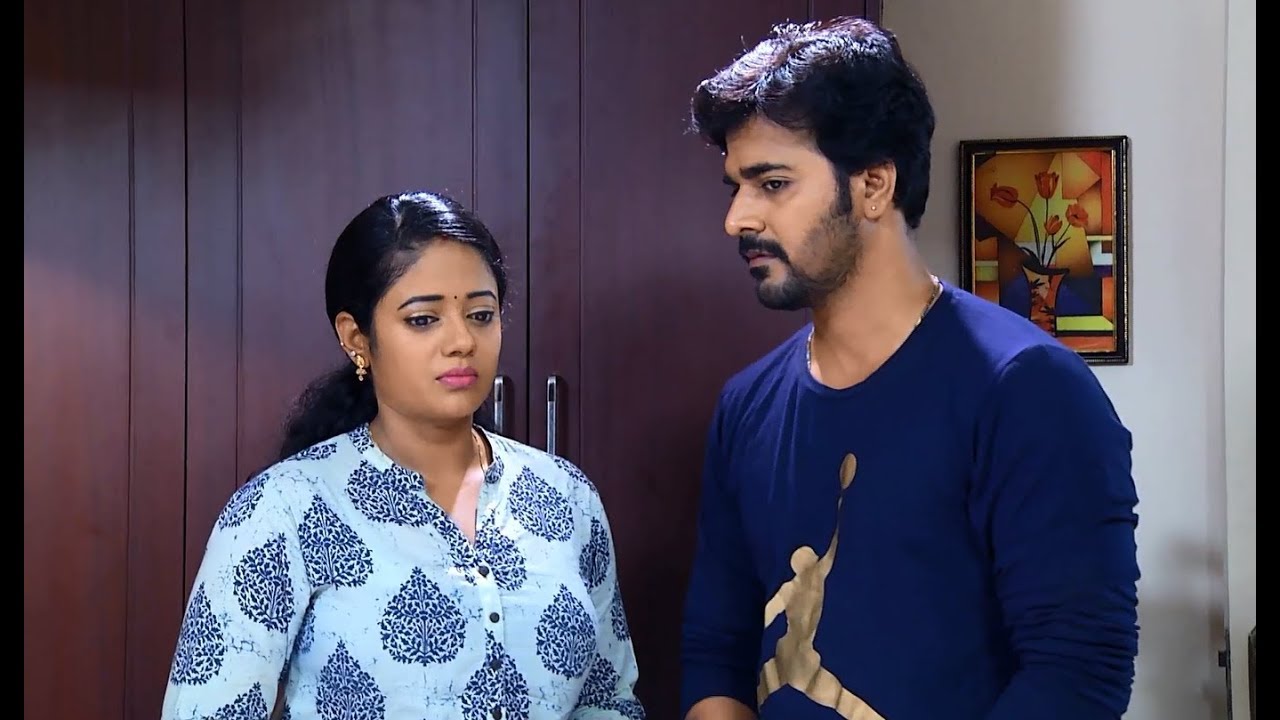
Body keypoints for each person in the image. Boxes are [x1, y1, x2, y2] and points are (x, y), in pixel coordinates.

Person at [678, 17, 1140, 720]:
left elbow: (1078, 673)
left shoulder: (1025, 388)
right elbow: (717, 647)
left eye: (772, 183)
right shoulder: (746, 406)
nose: (737, 218)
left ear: (873, 184)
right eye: (735, 187)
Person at [161, 191, 645, 720]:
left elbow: (608, 700)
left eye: (481, 315)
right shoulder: (282, 509)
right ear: (356, 337)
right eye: (423, 319)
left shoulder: (565, 497)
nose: (461, 341)